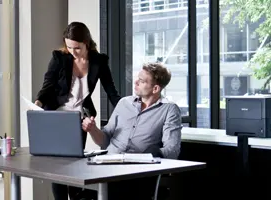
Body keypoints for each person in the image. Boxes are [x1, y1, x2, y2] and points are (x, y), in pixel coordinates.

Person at [34, 21, 122, 200]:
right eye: (69, 47)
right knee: (57, 167)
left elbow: (111, 91)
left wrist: (127, 109)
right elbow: (48, 85)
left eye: (77, 48)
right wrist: (38, 102)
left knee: (75, 165)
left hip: (78, 118)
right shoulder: (59, 57)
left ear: (86, 43)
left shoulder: (99, 61)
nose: (73, 52)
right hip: (57, 115)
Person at [80, 62, 183, 200]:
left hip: (138, 173)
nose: (135, 82)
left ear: (155, 88)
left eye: (141, 81)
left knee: (105, 190)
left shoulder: (169, 110)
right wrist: (92, 130)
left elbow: (172, 150)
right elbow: (105, 141)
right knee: (71, 181)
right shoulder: (124, 103)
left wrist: (148, 155)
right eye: (137, 78)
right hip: (107, 166)